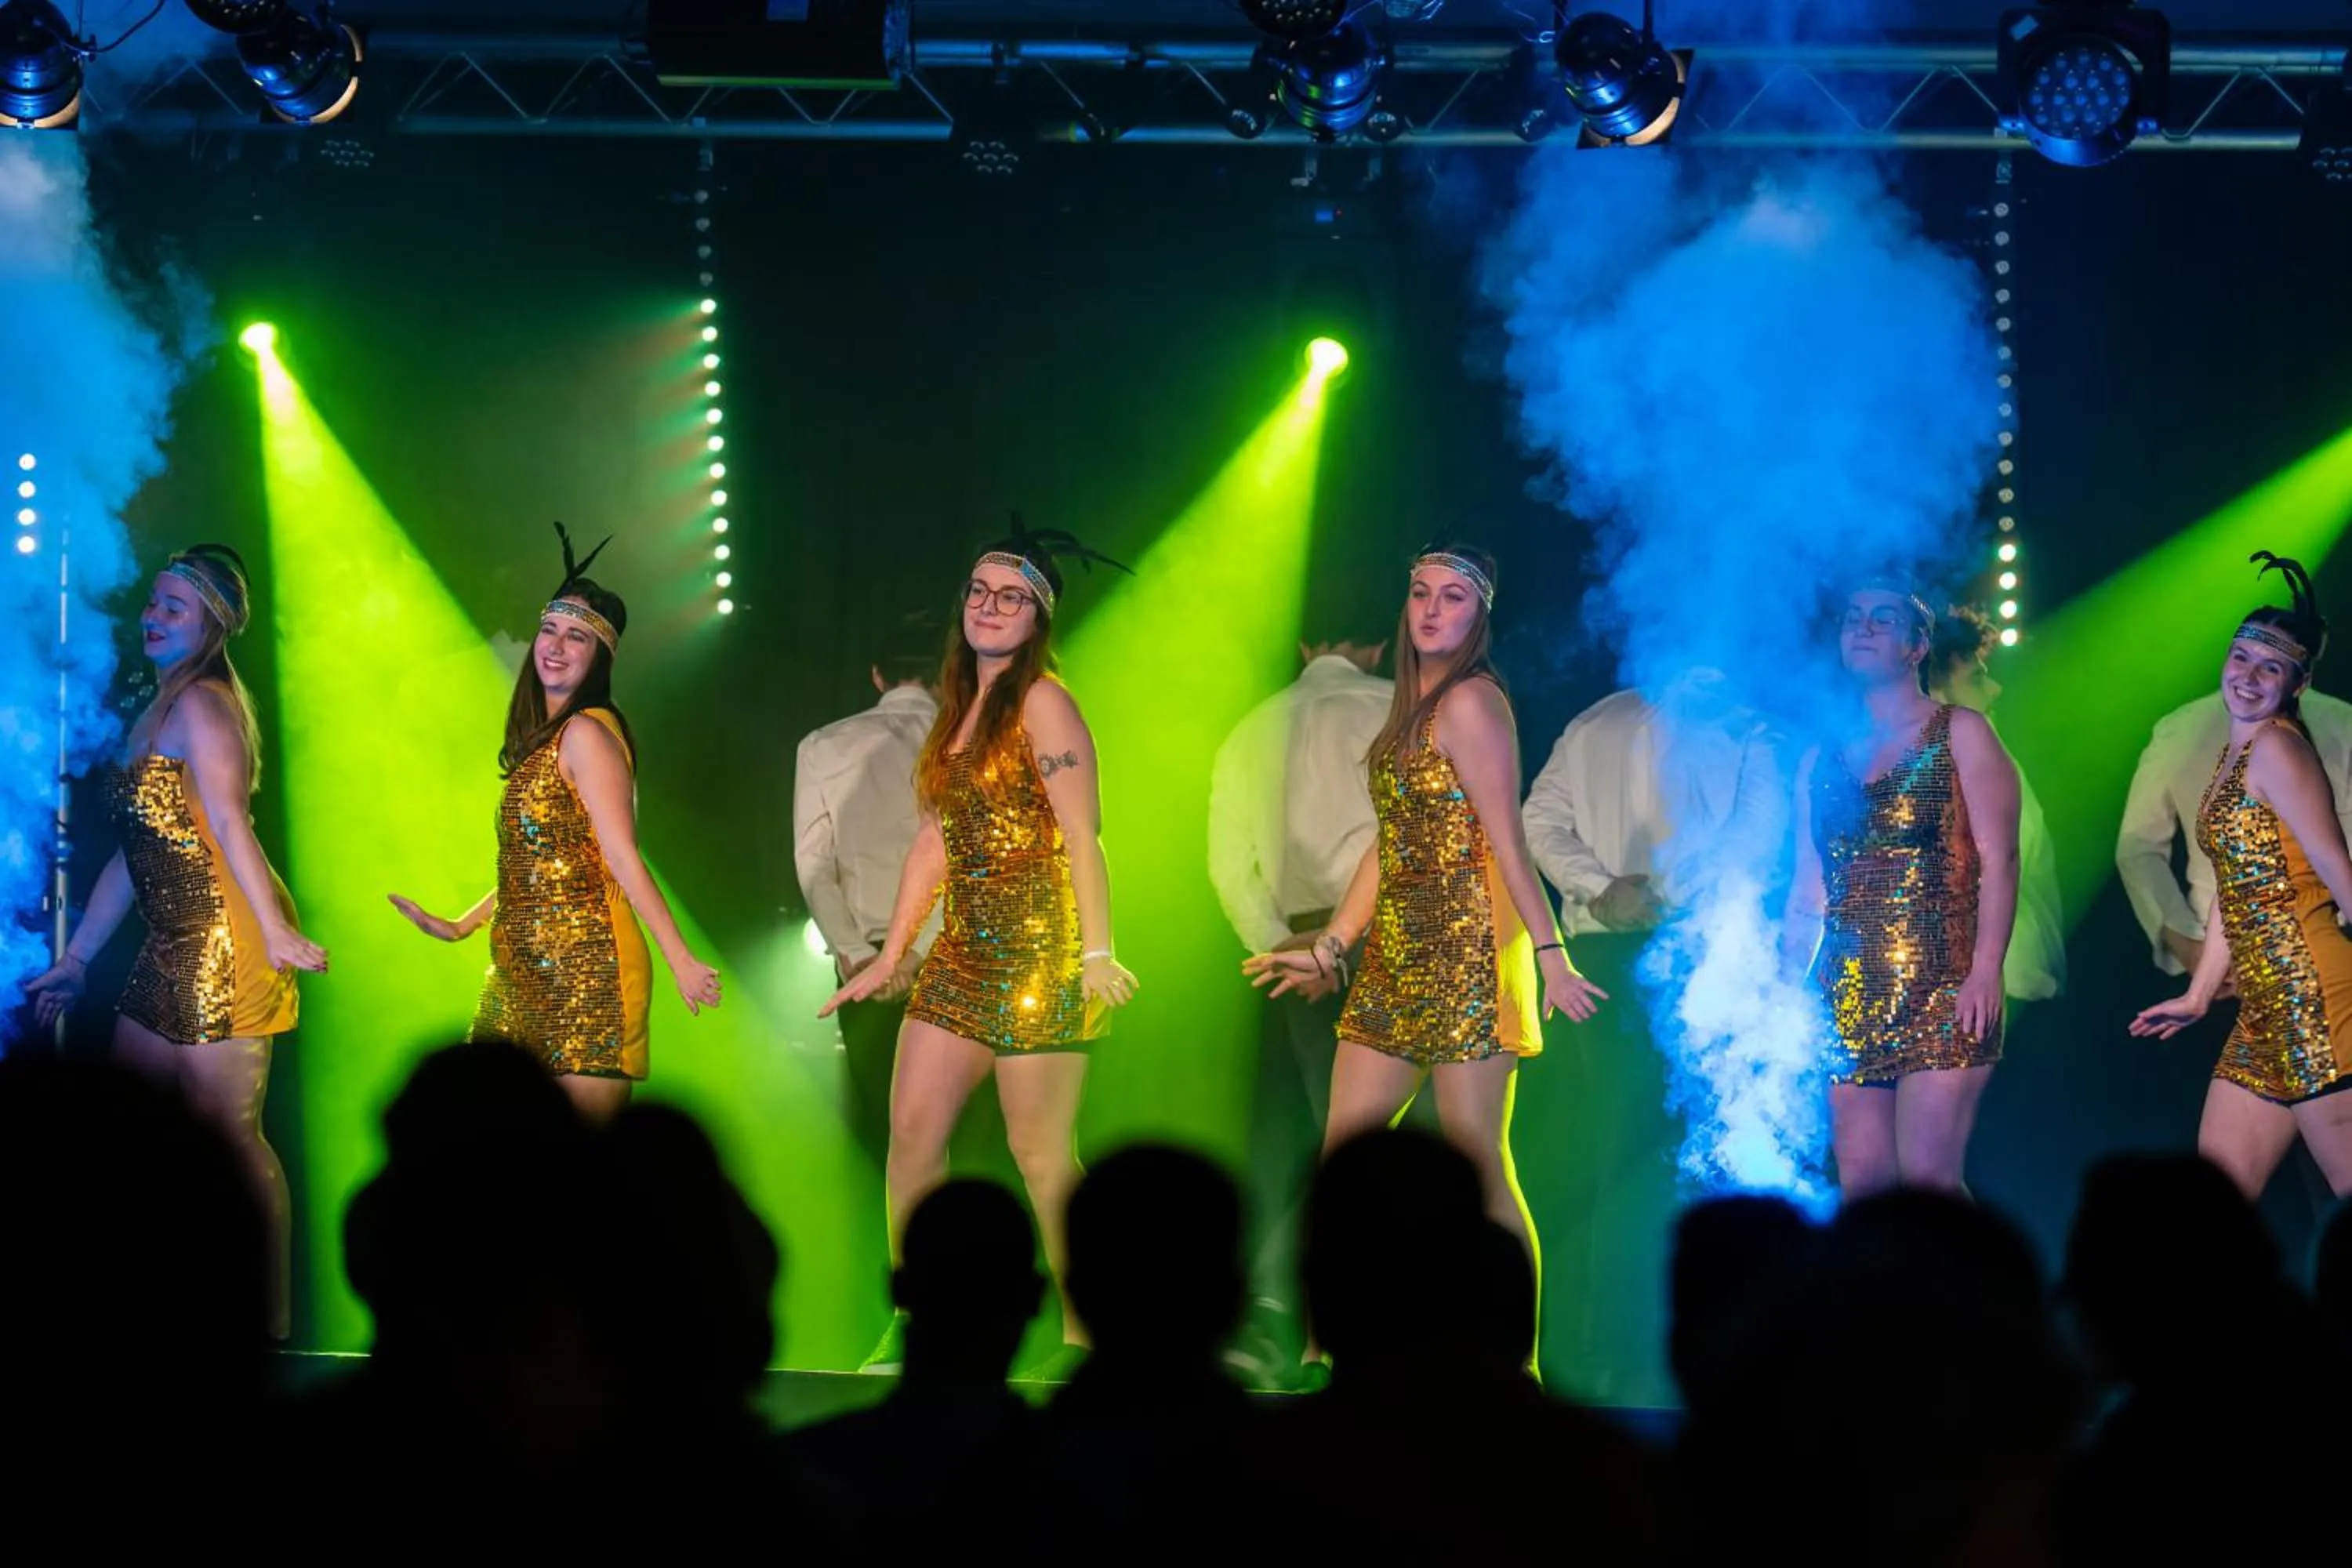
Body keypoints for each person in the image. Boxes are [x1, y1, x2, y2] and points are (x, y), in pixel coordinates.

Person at [1244, 545, 1606, 1363]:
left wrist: (1551, 953)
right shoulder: (1411, 706)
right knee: (1346, 1164)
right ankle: (1327, 1352)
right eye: (1420, 593)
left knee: (1479, 1161)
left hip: (1470, 951)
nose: (1432, 609)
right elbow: (1390, 842)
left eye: (1452, 597)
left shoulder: (1473, 701)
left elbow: (1508, 840)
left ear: (1479, 616)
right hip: (1396, 956)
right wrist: (1331, 944)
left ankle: (1519, 1363)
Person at [821, 518, 1141, 1376]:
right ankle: (914, 1318)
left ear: (1038, 618)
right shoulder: (956, 711)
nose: (989, 607)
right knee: (911, 1136)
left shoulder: (1044, 702)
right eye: (979, 592)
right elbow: (934, 840)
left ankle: (1090, 1335)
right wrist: (892, 954)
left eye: (1011, 598)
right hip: (961, 955)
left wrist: (1097, 952)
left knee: (1041, 1154)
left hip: (1041, 954)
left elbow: (1084, 834)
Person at [29, 544, 327, 1341]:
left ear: (212, 623)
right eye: (153, 602)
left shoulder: (204, 703)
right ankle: (159, 1304)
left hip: (229, 936)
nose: (153, 617)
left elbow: (230, 820)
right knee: (131, 1131)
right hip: (172, 938)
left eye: (174, 607)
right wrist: (77, 960)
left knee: (230, 1135)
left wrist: (276, 930)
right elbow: (132, 857)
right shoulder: (155, 711)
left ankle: (266, 1328)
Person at [389, 524, 722, 1123]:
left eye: (577, 637)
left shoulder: (587, 733)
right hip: (517, 973)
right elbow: (546, 861)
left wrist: (681, 958)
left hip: (588, 968)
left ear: (600, 657)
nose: (557, 646)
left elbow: (621, 856)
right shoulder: (542, 743)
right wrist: (463, 924)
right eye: (550, 630)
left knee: (575, 1168)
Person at [1520, 666, 1782, 1397]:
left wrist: (1604, 889)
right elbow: (1755, 839)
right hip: (1697, 952)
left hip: (1606, 949)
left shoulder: (1594, 720)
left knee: (1620, 1147)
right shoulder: (1747, 725)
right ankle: (1681, 1344)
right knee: (1697, 1147)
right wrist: (1659, 893)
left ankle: (1610, 1345)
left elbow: (1537, 821)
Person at [1782, 584, 2020, 1197]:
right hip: (1847, 994)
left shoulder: (1959, 731)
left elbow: (2000, 859)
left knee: (1929, 1184)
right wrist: (1781, 992)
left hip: (1943, 989)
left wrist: (1986, 970)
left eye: (1882, 620)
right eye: (1852, 619)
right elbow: (1808, 891)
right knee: (1865, 1191)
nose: (1862, 629)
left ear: (1916, 647)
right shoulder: (1818, 760)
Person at [2129, 554, 2352, 1199]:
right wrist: (2199, 995)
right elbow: (2238, 890)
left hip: (2313, 998)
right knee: (2215, 1204)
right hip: (2265, 1008)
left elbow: (2337, 870)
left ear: (2299, 683)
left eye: (2271, 667)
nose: (2249, 677)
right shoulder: (2239, 754)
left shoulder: (2279, 748)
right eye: (2241, 657)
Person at [1205, 635, 1391, 1349]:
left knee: (1339, 1135)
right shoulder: (1397, 709)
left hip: (1299, 942)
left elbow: (1228, 865)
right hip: (1400, 932)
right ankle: (1316, 1317)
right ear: (1377, 646)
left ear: (1306, 645)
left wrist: (1281, 946)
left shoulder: (1252, 727)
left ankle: (1287, 1311)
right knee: (1391, 1145)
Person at [794, 617, 944, 1168]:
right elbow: (966, 861)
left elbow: (814, 867)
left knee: (884, 1140)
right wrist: (917, 951)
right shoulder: (967, 744)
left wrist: (859, 956)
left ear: (878, 676)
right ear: (945, 678)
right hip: (954, 956)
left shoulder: (821, 745)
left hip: (864, 966)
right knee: (959, 1132)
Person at [2118, 680, 2352, 982]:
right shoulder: (2181, 730)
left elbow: (2137, 847)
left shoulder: (2342, 722)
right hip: (2227, 959)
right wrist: (2186, 944)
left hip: (2327, 946)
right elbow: (2138, 846)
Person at [1926, 605, 2064, 1001]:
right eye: (1976, 678)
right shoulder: (1950, 763)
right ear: (1936, 693)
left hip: (2004, 978)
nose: (1995, 689)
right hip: (1985, 983)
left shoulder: (1986, 756)